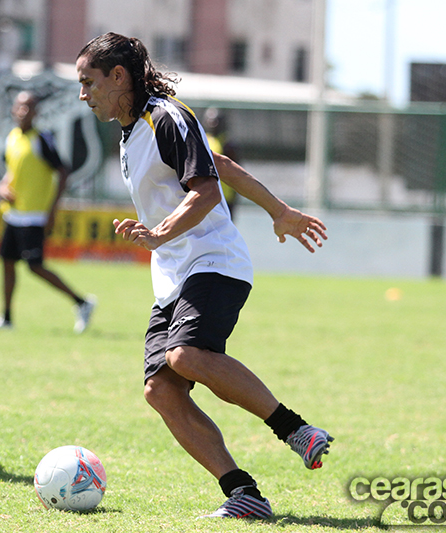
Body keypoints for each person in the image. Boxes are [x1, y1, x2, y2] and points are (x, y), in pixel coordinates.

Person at [76, 32, 333, 520]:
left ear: (118, 76)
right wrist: (279, 211)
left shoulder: (167, 117)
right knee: (161, 390)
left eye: (88, 82)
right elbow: (220, 164)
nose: (82, 94)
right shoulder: (134, 131)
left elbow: (208, 190)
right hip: (173, 272)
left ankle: (295, 429)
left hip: (213, 260)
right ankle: (244, 494)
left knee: (187, 354)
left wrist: (158, 233)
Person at [0, 91, 96, 334]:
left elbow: (62, 171)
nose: (24, 111)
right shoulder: (12, 137)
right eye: (21, 106)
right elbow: (12, 172)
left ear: (36, 113)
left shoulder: (41, 139)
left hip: (34, 216)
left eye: (30, 107)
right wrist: (2, 186)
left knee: (35, 265)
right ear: (13, 109)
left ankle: (82, 302)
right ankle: (6, 318)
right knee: (8, 262)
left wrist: (53, 209)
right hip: (13, 214)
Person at [202, 107, 239, 218]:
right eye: (210, 119)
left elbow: (238, 173)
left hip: (225, 198)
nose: (213, 123)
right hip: (204, 197)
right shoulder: (201, 140)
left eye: (217, 120)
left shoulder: (229, 145)